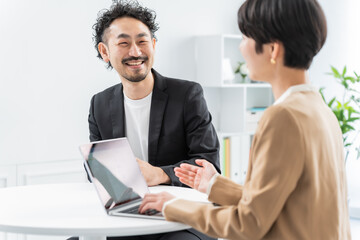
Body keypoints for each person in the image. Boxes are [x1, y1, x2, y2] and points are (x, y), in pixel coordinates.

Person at [138, 0, 352, 239]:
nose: (241, 48)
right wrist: (213, 185)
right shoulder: (319, 109)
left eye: (245, 37)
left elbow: (248, 224)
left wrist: (172, 206)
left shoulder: (283, 117)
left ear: (273, 49)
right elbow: (279, 203)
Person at [69, 1, 220, 240]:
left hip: (184, 219)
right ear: (105, 51)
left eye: (142, 41)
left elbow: (208, 163)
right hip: (128, 216)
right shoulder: (99, 104)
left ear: (154, 45)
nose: (136, 52)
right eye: (123, 43)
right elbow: (95, 171)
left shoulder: (188, 95)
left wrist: (159, 174)